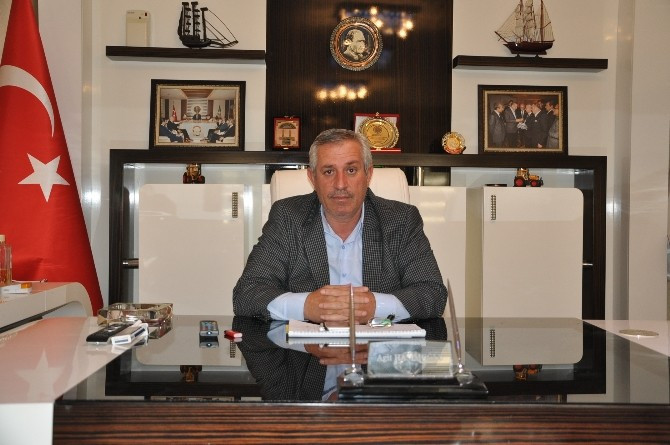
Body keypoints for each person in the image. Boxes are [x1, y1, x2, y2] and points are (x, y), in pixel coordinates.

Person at [233, 129, 447, 323]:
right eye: (329, 171)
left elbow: (432, 293)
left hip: (379, 351)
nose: (341, 184)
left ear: (368, 174)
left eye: (351, 170)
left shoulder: (401, 220)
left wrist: (375, 306)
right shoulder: (288, 217)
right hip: (305, 350)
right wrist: (307, 306)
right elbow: (247, 293)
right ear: (312, 178)